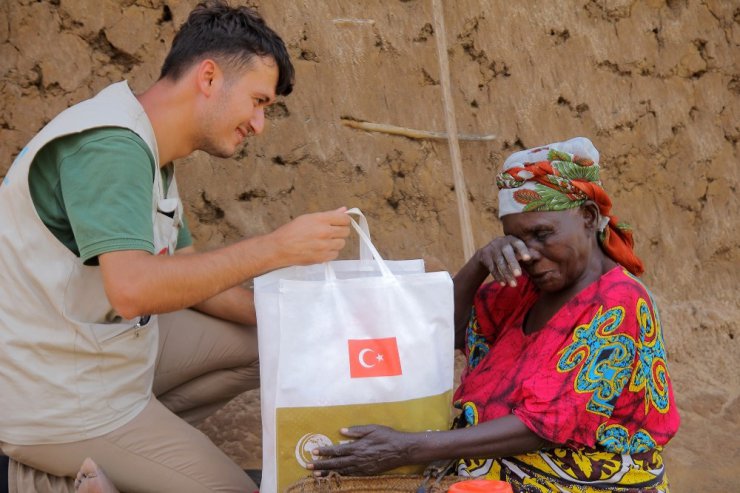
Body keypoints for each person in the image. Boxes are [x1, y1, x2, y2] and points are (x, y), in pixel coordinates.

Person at [0, 1, 351, 492]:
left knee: (273, 344)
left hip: (101, 352)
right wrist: (276, 249)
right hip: (60, 394)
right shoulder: (110, 145)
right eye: (258, 101)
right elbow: (133, 291)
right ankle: (60, 464)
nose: (258, 124)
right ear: (208, 77)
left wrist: (290, 320)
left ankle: (131, 457)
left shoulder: (152, 149)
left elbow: (188, 278)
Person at [309, 137, 680, 492]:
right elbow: (442, 335)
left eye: (542, 233)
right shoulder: (524, 287)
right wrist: (478, 264)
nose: (529, 253)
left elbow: (541, 426)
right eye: (515, 239)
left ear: (587, 216)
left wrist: (410, 448)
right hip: (500, 470)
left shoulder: (619, 301)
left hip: (585, 483)